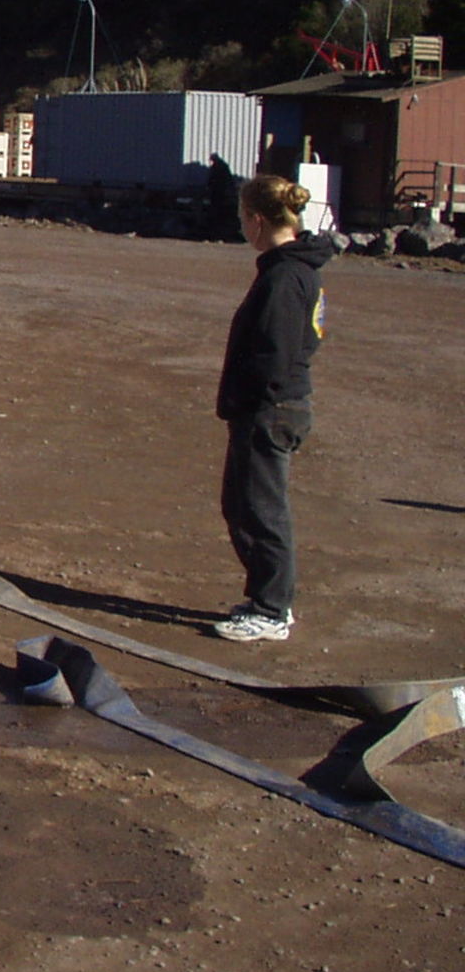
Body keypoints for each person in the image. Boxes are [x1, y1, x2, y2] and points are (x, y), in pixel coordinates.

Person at [212, 174, 332, 642]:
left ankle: (272, 608)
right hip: (265, 407)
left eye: (244, 219)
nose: (242, 228)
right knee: (241, 505)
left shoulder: (285, 277)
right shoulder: (289, 269)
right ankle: (266, 597)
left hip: (270, 410)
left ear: (258, 220)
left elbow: (277, 356)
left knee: (263, 511)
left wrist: (252, 400)